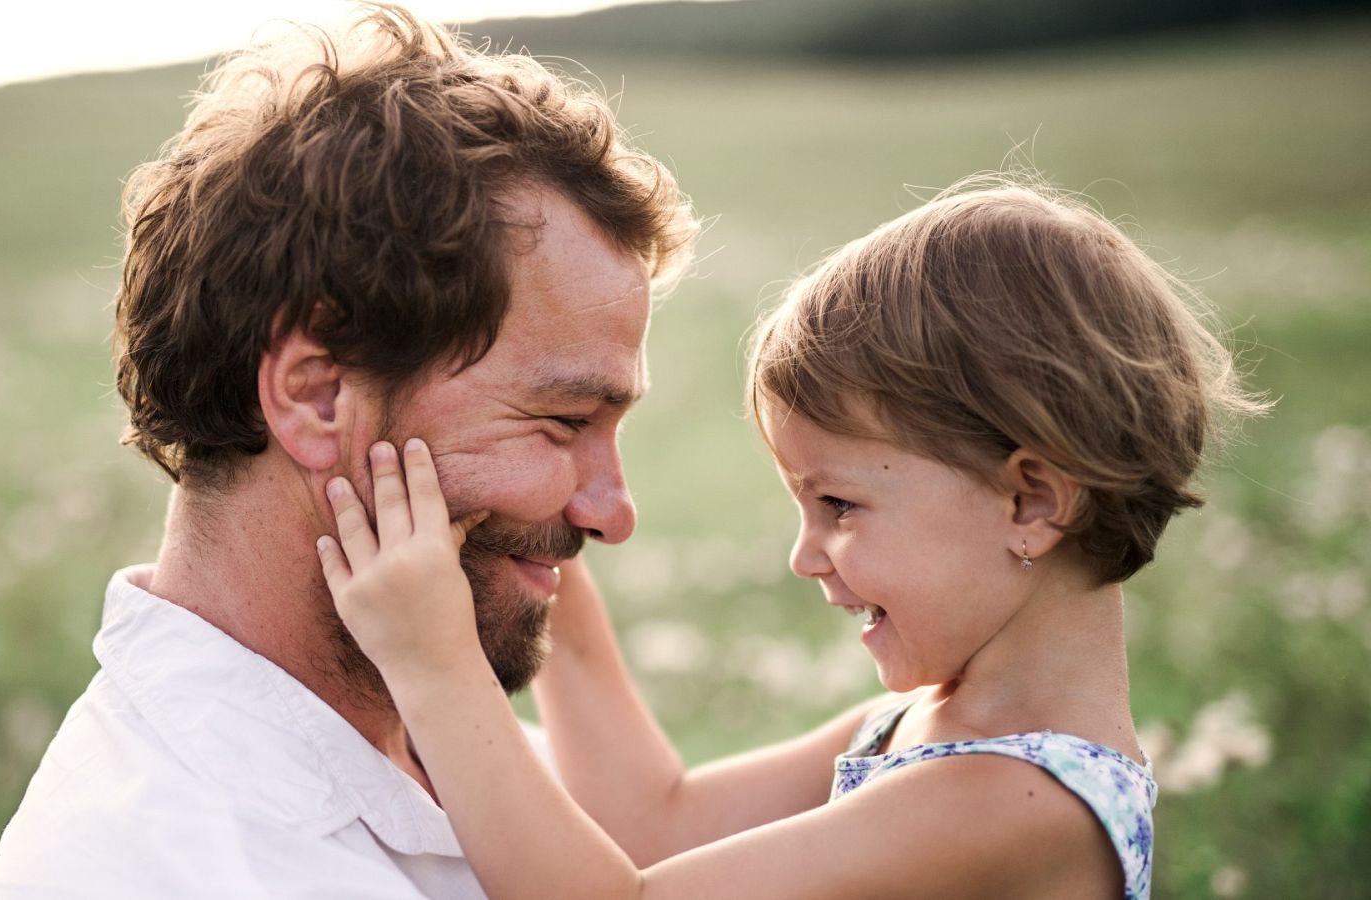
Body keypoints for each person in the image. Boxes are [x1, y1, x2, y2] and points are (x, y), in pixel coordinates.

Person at [318, 179, 1267, 899]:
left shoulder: (1022, 802)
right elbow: (656, 824)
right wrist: (543, 555)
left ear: (1031, 503)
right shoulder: (923, 729)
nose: (804, 555)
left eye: (840, 506)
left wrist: (438, 666)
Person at [0, 3, 696, 897]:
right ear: (317, 396)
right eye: (562, 421)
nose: (611, 513)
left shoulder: (466, 759)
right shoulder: (175, 864)